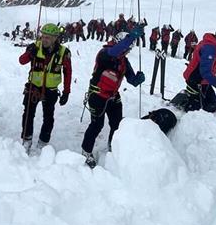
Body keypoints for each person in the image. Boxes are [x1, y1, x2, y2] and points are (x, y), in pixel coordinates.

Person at [80, 28, 146, 167]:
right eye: (128, 48)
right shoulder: (105, 53)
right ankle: (86, 151)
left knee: (117, 124)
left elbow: (131, 80)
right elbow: (114, 51)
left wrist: (138, 79)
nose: (128, 52)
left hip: (113, 96)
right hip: (97, 94)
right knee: (97, 125)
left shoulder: (123, 61)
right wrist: (132, 36)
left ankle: (113, 147)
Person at [19, 23, 72, 151]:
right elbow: (22, 61)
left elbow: (68, 72)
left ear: (55, 38)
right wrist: (30, 53)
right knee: (27, 114)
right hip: (33, 87)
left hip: (51, 90)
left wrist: (66, 92)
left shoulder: (63, 52)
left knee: (48, 117)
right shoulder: (35, 47)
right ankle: (27, 139)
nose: (44, 39)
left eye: (48, 37)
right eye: (43, 36)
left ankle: (43, 141)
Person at [171, 26, 216, 112]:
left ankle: (188, 101)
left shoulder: (212, 46)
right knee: (198, 109)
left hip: (204, 81)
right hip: (196, 81)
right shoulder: (210, 49)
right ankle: (183, 110)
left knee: (212, 104)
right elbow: (205, 72)